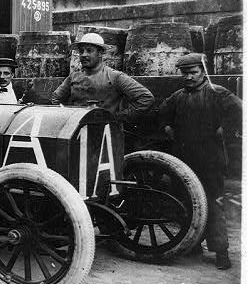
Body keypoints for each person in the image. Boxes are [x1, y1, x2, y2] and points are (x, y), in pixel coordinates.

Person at [159, 53, 242, 270]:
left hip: (211, 161)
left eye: (193, 72)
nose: (188, 77)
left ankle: (221, 251)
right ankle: (193, 245)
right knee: (188, 203)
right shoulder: (178, 96)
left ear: (203, 72)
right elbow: (162, 112)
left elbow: (239, 110)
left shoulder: (217, 93)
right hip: (185, 160)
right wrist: (167, 126)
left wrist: (226, 127)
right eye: (185, 73)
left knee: (214, 204)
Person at [51, 33, 154, 122]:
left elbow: (146, 98)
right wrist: (67, 115)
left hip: (107, 133)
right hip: (77, 131)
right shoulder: (74, 77)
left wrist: (117, 117)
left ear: (100, 53)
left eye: (89, 50)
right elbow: (56, 98)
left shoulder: (114, 77)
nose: (83, 55)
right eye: (81, 51)